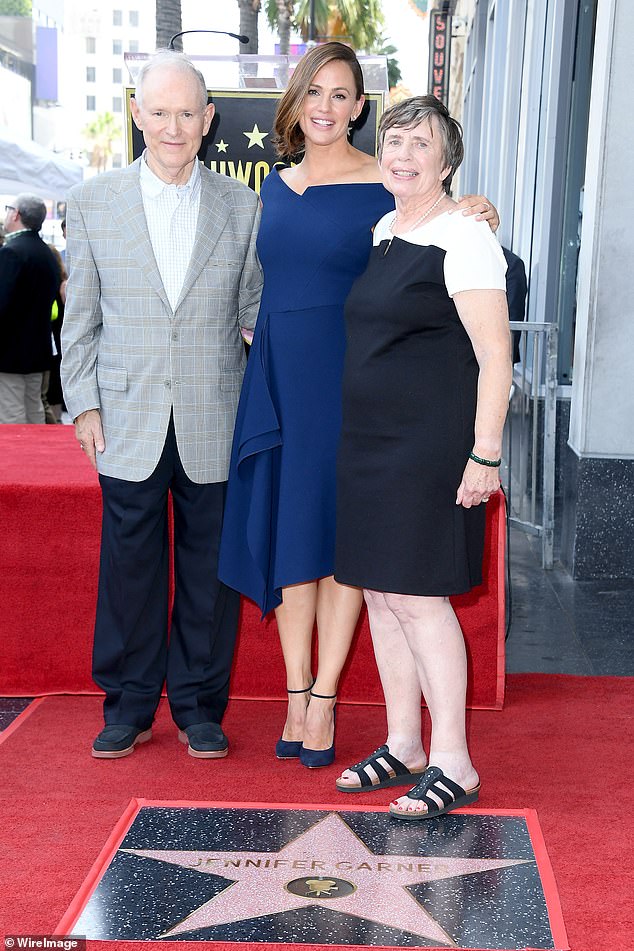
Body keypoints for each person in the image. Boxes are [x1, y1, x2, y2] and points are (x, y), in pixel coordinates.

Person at [218, 42, 499, 769]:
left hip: (354, 386)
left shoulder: (386, 181)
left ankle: (326, 697)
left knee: (341, 545)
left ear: (359, 108)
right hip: (281, 374)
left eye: (342, 94)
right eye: (315, 91)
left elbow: (439, 227)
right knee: (291, 539)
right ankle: (292, 689)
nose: (326, 106)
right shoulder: (273, 188)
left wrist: (474, 206)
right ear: (295, 99)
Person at [61, 50, 263, 760]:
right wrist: (82, 401)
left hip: (216, 413)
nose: (173, 126)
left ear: (208, 121)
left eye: (188, 113)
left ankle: (201, 706)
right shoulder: (93, 201)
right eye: (160, 111)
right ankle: (128, 703)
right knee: (129, 565)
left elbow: (255, 309)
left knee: (209, 568)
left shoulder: (243, 206)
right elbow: (78, 314)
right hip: (125, 413)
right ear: (137, 114)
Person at [334, 95, 512, 818]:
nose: (403, 153)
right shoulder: (385, 227)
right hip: (370, 443)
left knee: (419, 598)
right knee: (381, 593)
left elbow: (497, 355)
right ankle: (405, 742)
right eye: (395, 140)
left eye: (421, 143)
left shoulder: (465, 236)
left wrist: (485, 453)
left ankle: (454, 760)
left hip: (430, 449)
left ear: (447, 161)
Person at [0, 195, 60, 424]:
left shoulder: (11, 252)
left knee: (11, 412)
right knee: (34, 408)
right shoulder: (46, 253)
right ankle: (40, 460)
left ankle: (18, 461)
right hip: (38, 348)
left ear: (16, 214)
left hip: (10, 352)